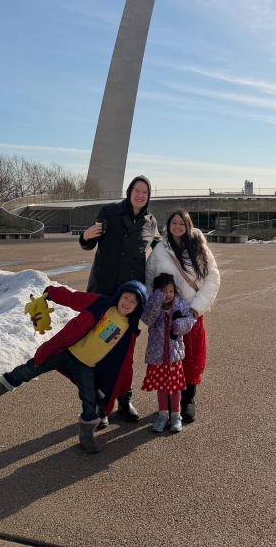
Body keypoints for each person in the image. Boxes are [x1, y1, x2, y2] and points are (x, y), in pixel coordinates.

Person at [0, 280, 147, 454]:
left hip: (86, 365)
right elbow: (74, 298)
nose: (127, 303)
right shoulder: (101, 303)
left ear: (137, 307)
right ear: (119, 296)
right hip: (66, 351)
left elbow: (124, 363)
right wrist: (52, 293)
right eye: (125, 297)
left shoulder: (129, 330)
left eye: (133, 301)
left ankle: (87, 436)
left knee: (89, 398)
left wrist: (122, 389)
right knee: (33, 368)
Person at [80, 175, 160, 423]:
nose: (140, 195)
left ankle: (125, 399)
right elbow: (89, 243)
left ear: (148, 196)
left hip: (130, 299)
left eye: (145, 192)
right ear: (129, 192)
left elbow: (161, 251)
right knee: (100, 347)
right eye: (136, 190)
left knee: (125, 352)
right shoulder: (109, 211)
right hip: (105, 292)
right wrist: (85, 236)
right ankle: (101, 405)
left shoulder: (150, 222)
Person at [145, 210, 220, 423]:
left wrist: (196, 308)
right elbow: (149, 278)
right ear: (168, 225)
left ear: (188, 226)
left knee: (191, 356)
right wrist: (155, 307)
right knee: (168, 357)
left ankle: (187, 399)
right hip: (166, 314)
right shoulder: (160, 249)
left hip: (191, 312)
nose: (177, 227)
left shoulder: (199, 247)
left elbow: (213, 278)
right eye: (174, 223)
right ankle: (170, 399)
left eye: (182, 223)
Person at [141, 273, 196, 433]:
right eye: (163, 291)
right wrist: (158, 298)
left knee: (174, 388)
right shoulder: (153, 306)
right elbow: (147, 319)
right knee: (161, 388)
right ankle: (162, 416)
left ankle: (176, 416)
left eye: (171, 291)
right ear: (157, 292)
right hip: (157, 357)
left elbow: (190, 320)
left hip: (174, 356)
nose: (168, 294)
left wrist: (178, 325)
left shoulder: (178, 304)